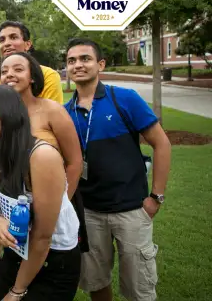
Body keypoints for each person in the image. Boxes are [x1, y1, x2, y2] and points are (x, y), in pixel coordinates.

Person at [64, 38, 171, 301]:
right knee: (96, 281)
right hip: (88, 213)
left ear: (100, 64)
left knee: (139, 288)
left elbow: (162, 144)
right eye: (71, 61)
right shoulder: (65, 113)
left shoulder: (124, 99)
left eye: (85, 59)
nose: (78, 65)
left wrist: (155, 198)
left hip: (132, 210)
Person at [0, 85, 81, 301]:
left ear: (13, 110)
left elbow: (42, 237)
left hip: (54, 259)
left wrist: (16, 292)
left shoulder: (41, 156)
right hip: (18, 251)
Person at [0, 52, 82, 197]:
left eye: (18, 69)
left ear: (32, 77)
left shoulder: (52, 110)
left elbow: (75, 163)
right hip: (14, 204)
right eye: (4, 71)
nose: (9, 74)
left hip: (54, 201)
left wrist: (61, 205)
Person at [0, 21, 63, 103]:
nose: (6, 43)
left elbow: (51, 113)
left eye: (13, 37)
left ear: (27, 44)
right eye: (2, 40)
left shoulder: (48, 76)